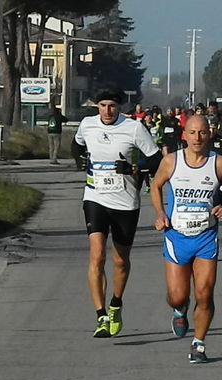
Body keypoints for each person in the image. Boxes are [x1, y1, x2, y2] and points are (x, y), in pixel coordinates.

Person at [71, 88, 162, 338]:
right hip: (95, 197)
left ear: (119, 107)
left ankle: (115, 304)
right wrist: (79, 160)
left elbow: (155, 161)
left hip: (125, 202)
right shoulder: (87, 125)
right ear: (96, 106)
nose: (107, 111)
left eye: (112, 105)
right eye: (103, 105)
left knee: (120, 260)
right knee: (97, 255)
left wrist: (133, 167)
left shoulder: (133, 128)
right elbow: (76, 146)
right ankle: (100, 315)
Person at [150, 115, 222, 363]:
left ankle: (198, 343)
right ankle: (180, 310)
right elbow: (155, 186)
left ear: (209, 134)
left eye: (202, 133)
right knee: (178, 295)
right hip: (177, 237)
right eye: (192, 133)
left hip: (205, 237)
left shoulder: (219, 164)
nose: (197, 138)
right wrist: (160, 214)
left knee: (205, 294)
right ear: (184, 135)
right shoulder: (171, 161)